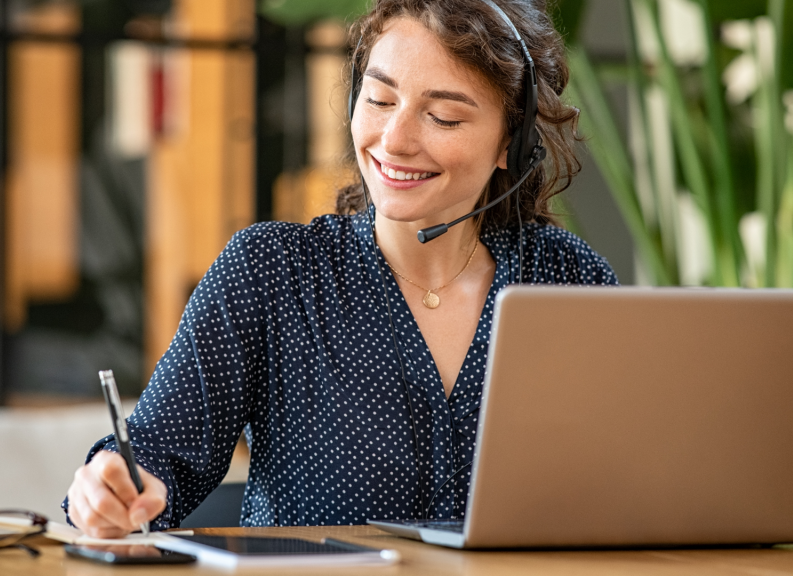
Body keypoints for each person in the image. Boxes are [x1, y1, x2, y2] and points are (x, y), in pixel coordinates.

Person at [64, 0, 617, 538]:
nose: (394, 141)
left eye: (443, 116)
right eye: (378, 100)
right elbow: (151, 462)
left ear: (511, 144)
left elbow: (632, 479)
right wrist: (107, 490)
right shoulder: (272, 272)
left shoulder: (569, 281)